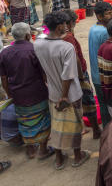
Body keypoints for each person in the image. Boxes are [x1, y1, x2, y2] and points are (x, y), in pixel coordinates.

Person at [34, 11, 91, 170]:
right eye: (65, 24)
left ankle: (59, 159)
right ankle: (77, 156)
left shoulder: (38, 43)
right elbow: (68, 75)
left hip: (52, 92)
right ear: (60, 26)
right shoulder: (66, 47)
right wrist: (64, 96)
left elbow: (43, 67)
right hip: (69, 94)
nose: (67, 27)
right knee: (75, 125)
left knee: (57, 126)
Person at [0, 22, 53, 160]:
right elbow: (44, 74)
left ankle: (31, 150)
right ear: (28, 35)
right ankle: (43, 149)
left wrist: (9, 93)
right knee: (43, 120)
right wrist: (50, 85)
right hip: (37, 93)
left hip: (18, 95)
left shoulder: (4, 52)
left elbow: (4, 78)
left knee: (24, 122)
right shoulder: (33, 49)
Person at [60, 9, 102, 140]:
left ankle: (81, 128)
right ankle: (96, 130)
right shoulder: (69, 37)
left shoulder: (59, 36)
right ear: (71, 22)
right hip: (77, 75)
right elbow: (75, 59)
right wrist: (81, 75)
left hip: (65, 75)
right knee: (88, 102)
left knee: (74, 102)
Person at [88, 2, 112, 127]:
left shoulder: (93, 28)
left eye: (111, 12)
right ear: (99, 16)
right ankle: (110, 131)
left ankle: (106, 129)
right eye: (108, 14)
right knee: (109, 106)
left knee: (103, 105)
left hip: (96, 74)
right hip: (105, 76)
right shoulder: (104, 33)